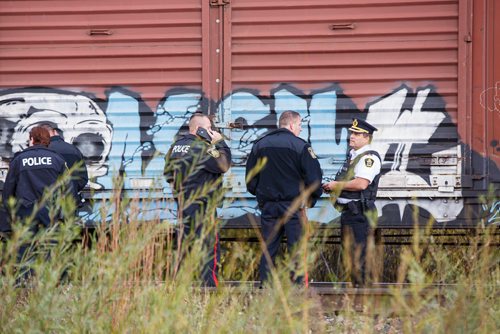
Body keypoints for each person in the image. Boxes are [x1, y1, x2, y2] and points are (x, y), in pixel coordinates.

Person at [245, 110, 323, 285]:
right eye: (300, 125)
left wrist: (262, 197)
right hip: (294, 206)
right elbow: (314, 179)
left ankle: (266, 288)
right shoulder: (301, 146)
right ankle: (297, 289)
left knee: (268, 249)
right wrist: (311, 200)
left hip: (269, 207)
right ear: (292, 125)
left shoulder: (259, 145)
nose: (301, 129)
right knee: (296, 249)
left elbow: (250, 179)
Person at [164, 113, 231, 287]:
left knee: (183, 248)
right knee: (208, 248)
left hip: (183, 206)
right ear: (199, 129)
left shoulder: (174, 148)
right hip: (203, 207)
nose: (210, 132)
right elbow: (223, 165)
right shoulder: (202, 147)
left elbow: (168, 175)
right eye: (208, 129)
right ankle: (208, 288)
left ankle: (180, 288)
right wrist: (220, 142)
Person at [3, 125, 70, 282]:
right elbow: (68, 190)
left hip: (25, 213)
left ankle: (23, 286)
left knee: (24, 251)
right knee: (52, 248)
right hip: (51, 213)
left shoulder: (19, 160)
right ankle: (55, 283)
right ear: (48, 141)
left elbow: (8, 192)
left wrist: (11, 214)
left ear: (31, 140)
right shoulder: (58, 160)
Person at [322, 118, 381, 286]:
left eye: (356, 134)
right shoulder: (353, 156)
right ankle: (355, 293)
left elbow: (361, 183)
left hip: (360, 214)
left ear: (367, 137)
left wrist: (336, 185)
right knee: (350, 254)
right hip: (350, 212)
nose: (352, 137)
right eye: (351, 133)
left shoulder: (368, 158)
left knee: (359, 255)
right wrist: (332, 188)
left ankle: (363, 295)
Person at [41, 123, 88, 207]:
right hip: (70, 201)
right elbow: (83, 178)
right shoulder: (73, 149)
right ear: (55, 132)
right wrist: (73, 189)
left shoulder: (43, 151)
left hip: (48, 203)